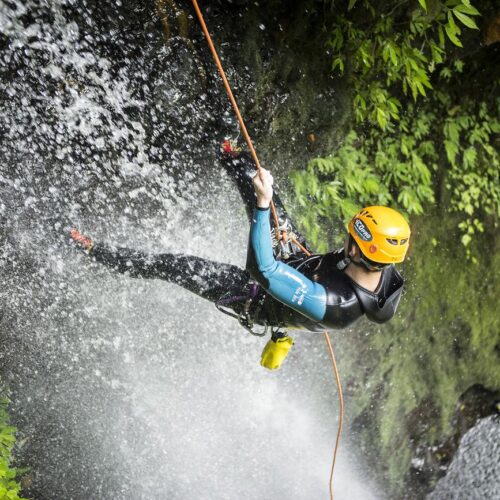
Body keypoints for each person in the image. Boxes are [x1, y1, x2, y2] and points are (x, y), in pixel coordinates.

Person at [70, 141, 411, 369]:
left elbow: (263, 269)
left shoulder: (333, 304)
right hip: (300, 262)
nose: (345, 239)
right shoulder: (375, 264)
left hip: (257, 295)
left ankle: (93, 248)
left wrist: (263, 206)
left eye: (352, 239)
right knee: (251, 173)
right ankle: (223, 143)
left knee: (174, 266)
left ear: (363, 252)